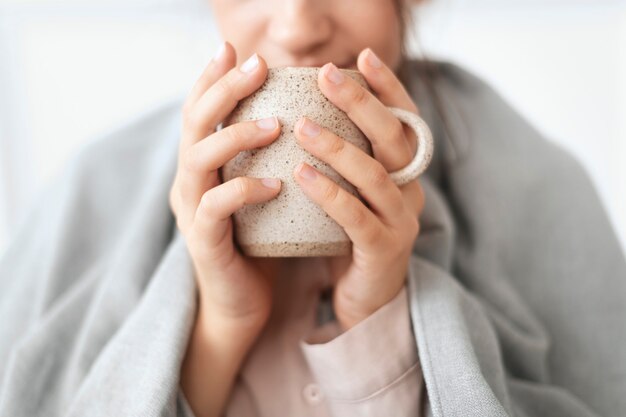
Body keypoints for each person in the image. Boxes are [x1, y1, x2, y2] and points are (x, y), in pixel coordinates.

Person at [0, 0, 625, 416]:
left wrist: (377, 315)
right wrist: (220, 320)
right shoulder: (92, 192)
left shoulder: (531, 182)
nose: (299, 27)